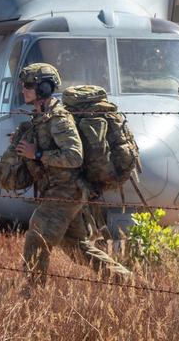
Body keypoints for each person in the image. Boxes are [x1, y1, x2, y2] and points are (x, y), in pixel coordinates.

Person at [13, 63, 132, 288]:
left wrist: (37, 153)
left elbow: (74, 156)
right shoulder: (43, 117)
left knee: (36, 239)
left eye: (28, 85)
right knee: (76, 246)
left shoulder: (59, 119)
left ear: (44, 89)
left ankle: (30, 296)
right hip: (62, 191)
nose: (23, 90)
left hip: (65, 192)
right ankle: (125, 280)